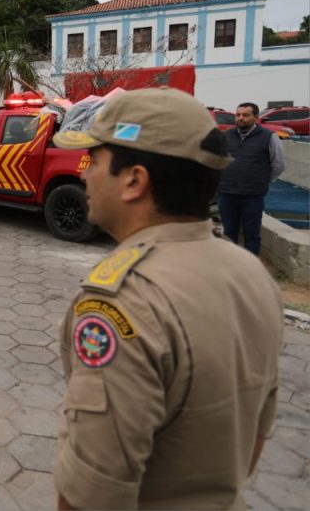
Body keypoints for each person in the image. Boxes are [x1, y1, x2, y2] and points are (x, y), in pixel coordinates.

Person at [50, 88, 283, 510]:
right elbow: (254, 441)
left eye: (95, 160)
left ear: (134, 180)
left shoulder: (123, 304)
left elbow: (93, 491)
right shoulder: (251, 273)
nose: (83, 173)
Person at [217, 102, 285, 255]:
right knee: (229, 233)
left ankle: (252, 270)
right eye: (238, 115)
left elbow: (278, 165)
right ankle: (231, 267)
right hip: (227, 194)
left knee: (252, 234)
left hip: (252, 196)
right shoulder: (226, 136)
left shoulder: (269, 137)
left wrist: (261, 181)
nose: (241, 118)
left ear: (256, 117)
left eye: (246, 115)